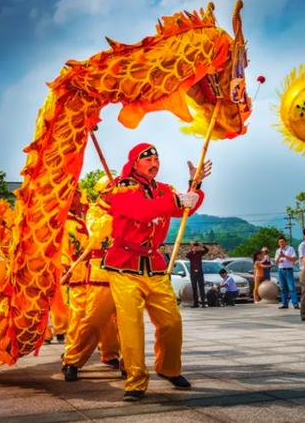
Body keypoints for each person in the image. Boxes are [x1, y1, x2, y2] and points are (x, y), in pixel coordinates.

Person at [101, 143, 209, 401]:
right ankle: (136, 379)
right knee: (131, 325)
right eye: (147, 159)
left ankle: (168, 368)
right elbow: (141, 210)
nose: (154, 163)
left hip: (154, 264)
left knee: (171, 321)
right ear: (135, 163)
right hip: (124, 265)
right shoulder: (121, 186)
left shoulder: (163, 190)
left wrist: (195, 187)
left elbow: (184, 209)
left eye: (157, 159)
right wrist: (176, 199)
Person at [62, 179, 121, 382]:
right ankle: (72, 360)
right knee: (91, 318)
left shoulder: (126, 207)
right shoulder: (95, 212)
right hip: (98, 271)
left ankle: (120, 358)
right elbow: (98, 232)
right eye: (113, 190)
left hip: (125, 270)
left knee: (123, 321)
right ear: (103, 193)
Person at [274, 235, 299, 309]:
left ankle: (295, 303)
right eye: (280, 242)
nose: (281, 243)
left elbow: (294, 259)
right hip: (280, 270)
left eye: (282, 242)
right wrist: (279, 257)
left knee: (291, 287)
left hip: (288, 269)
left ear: (285, 242)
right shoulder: (277, 251)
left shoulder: (290, 249)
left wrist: (284, 256)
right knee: (283, 287)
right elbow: (276, 262)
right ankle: (285, 303)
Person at [185, 241, 209, 308]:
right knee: (194, 288)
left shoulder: (200, 253)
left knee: (201, 287)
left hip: (200, 272)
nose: (195, 248)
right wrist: (192, 250)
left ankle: (203, 303)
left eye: (196, 247)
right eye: (194, 247)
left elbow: (207, 250)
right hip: (193, 273)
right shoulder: (190, 254)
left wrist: (202, 245)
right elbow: (186, 255)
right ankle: (196, 303)